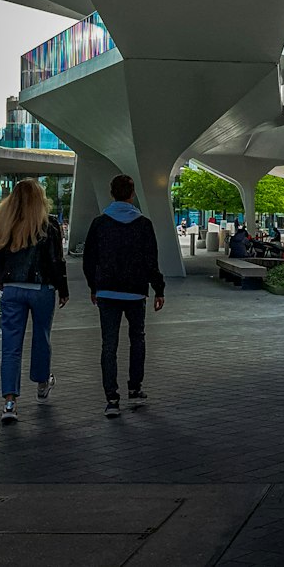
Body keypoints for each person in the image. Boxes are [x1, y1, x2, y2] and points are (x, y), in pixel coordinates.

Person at [82, 174, 165, 418]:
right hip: (135, 292)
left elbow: (89, 259)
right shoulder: (143, 224)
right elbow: (152, 261)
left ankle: (111, 398)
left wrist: (93, 287)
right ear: (132, 194)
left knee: (109, 344)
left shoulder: (100, 223)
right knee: (137, 339)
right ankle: (135, 387)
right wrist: (158, 288)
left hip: (107, 291)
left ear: (111, 193)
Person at [0, 178, 69, 424]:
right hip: (41, 288)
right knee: (41, 337)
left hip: (13, 289)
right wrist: (63, 288)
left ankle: (10, 402)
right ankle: (42, 384)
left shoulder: (6, 223)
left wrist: (2, 280)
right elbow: (56, 260)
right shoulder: (50, 225)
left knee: (11, 347)